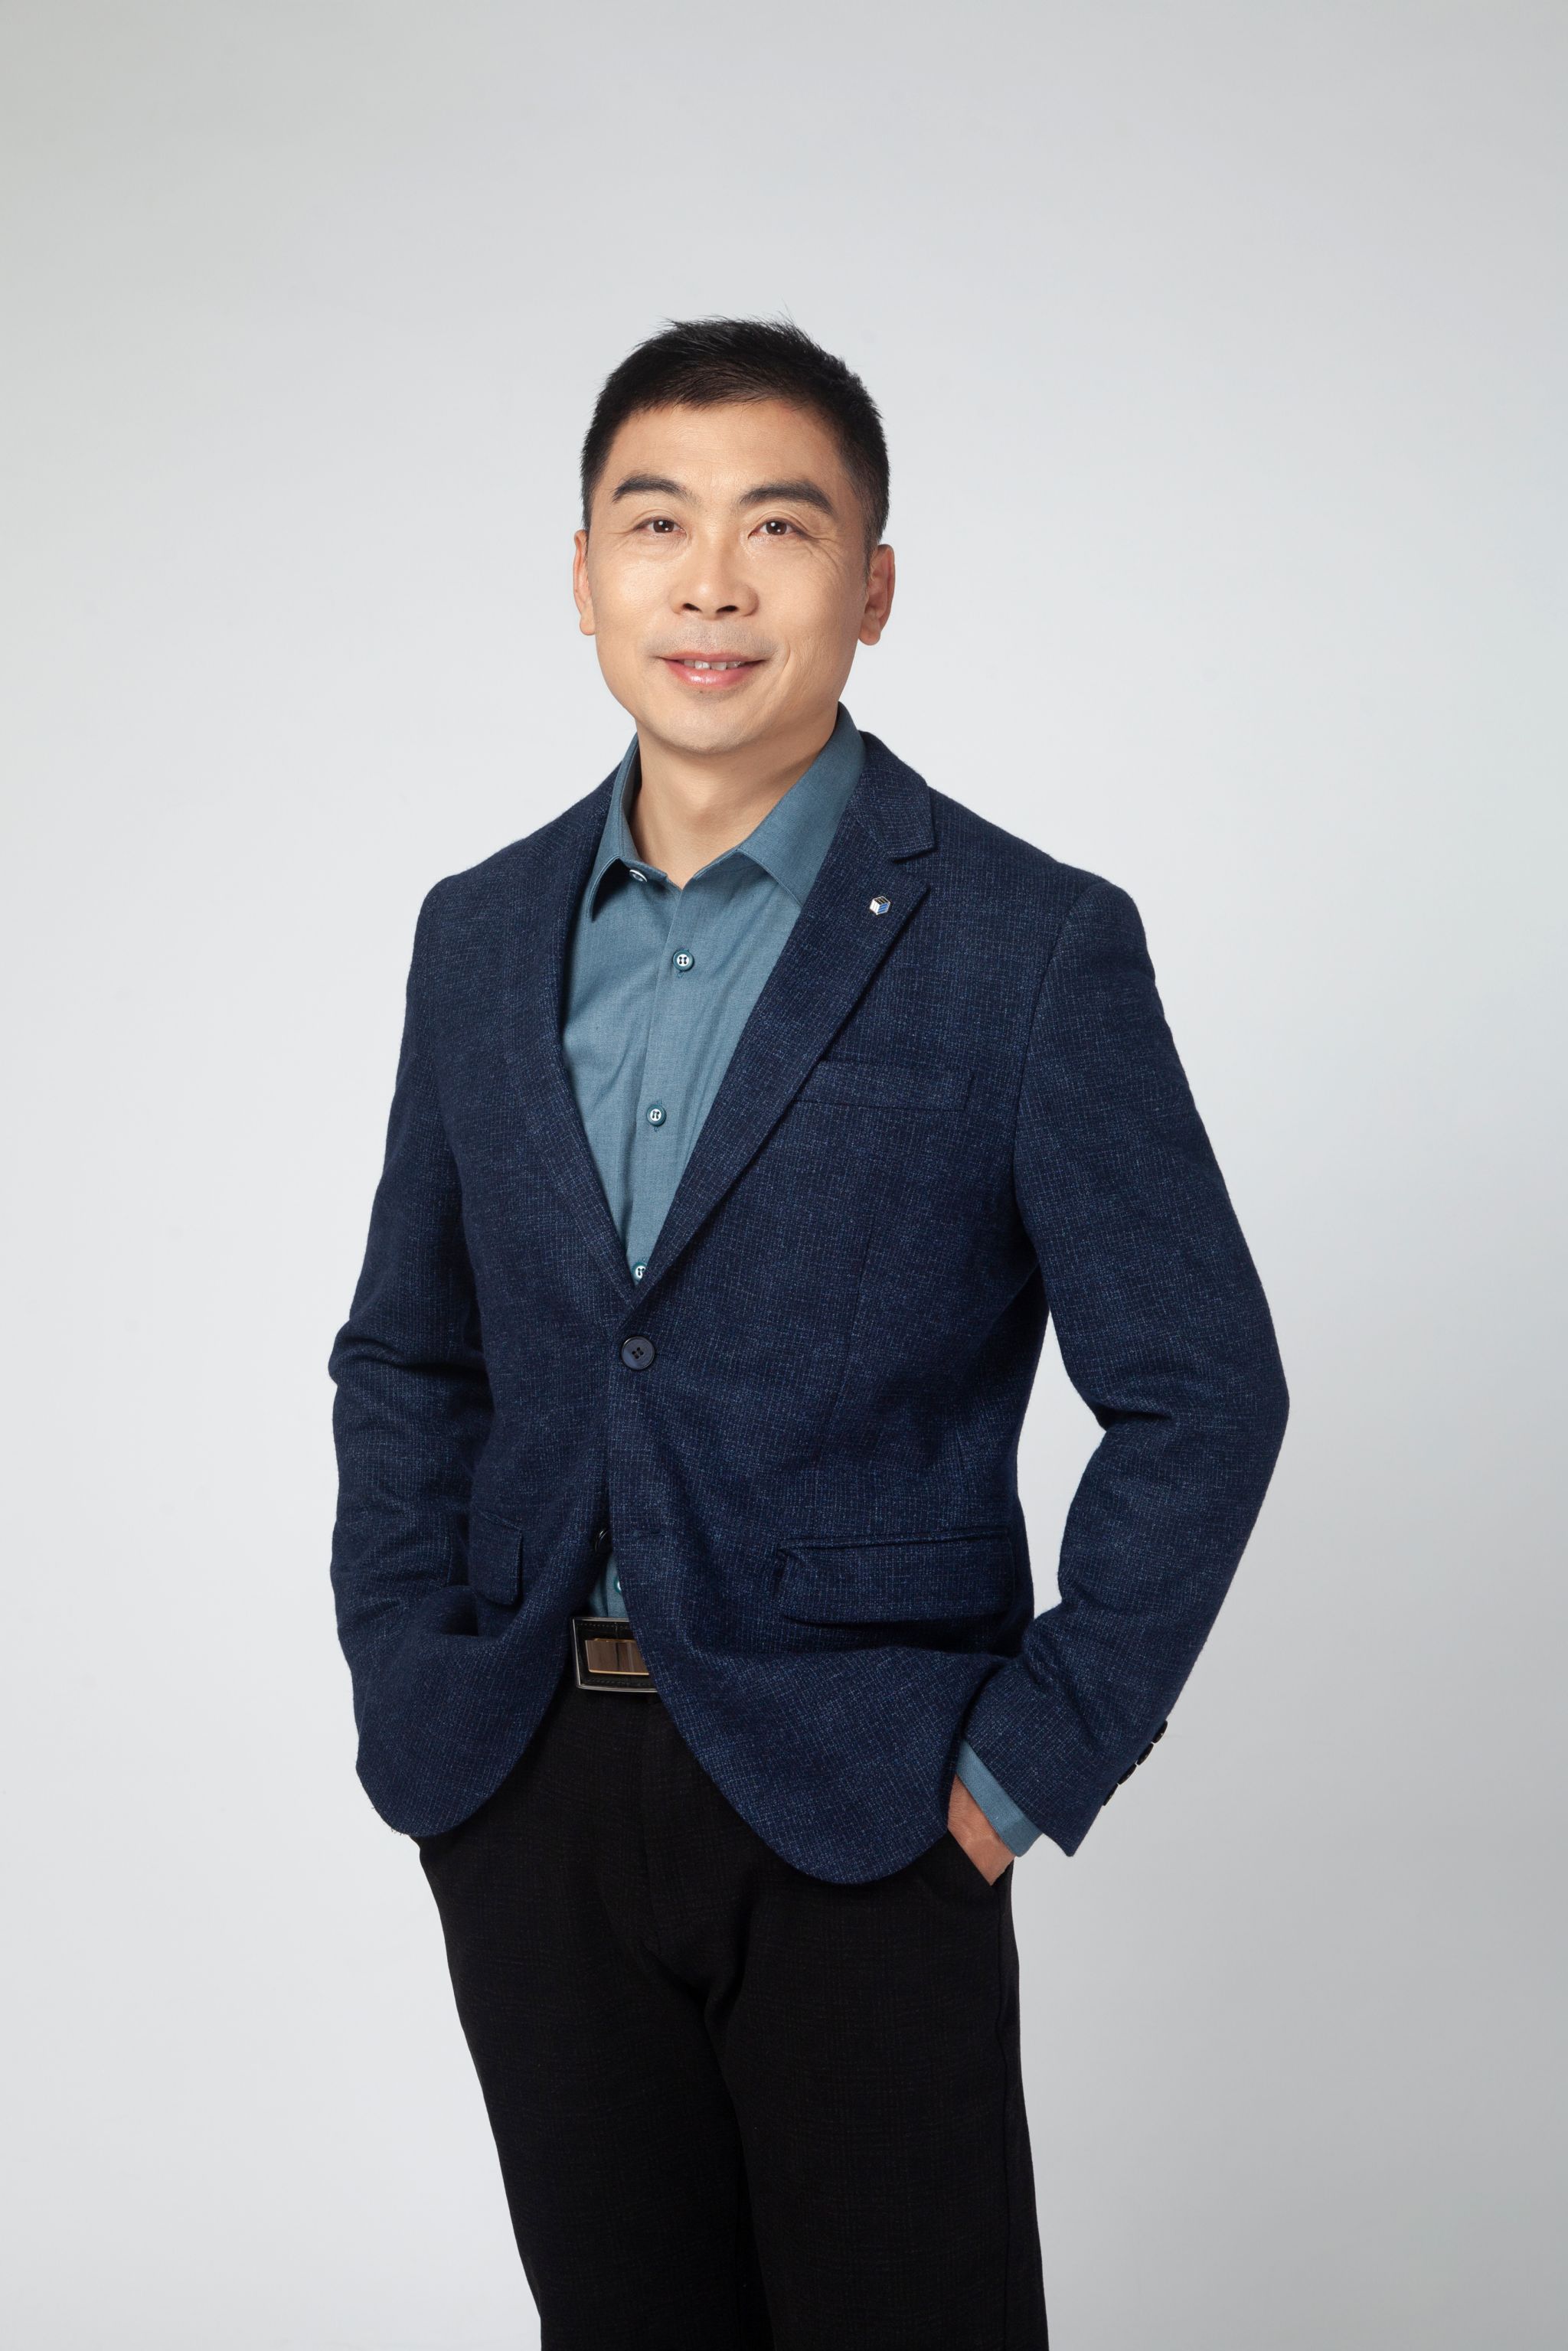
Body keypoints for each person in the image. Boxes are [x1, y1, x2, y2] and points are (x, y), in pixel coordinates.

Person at [328, 317, 1289, 2349]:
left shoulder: (1027, 944)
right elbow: (411, 1354)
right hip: (526, 1783)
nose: (711, 583)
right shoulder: (475, 935)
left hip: (867, 1800)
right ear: (581, 574)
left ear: (872, 587)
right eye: (654, 523)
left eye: (780, 527)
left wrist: (1023, 1765)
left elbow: (1203, 1389)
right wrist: (414, 1670)